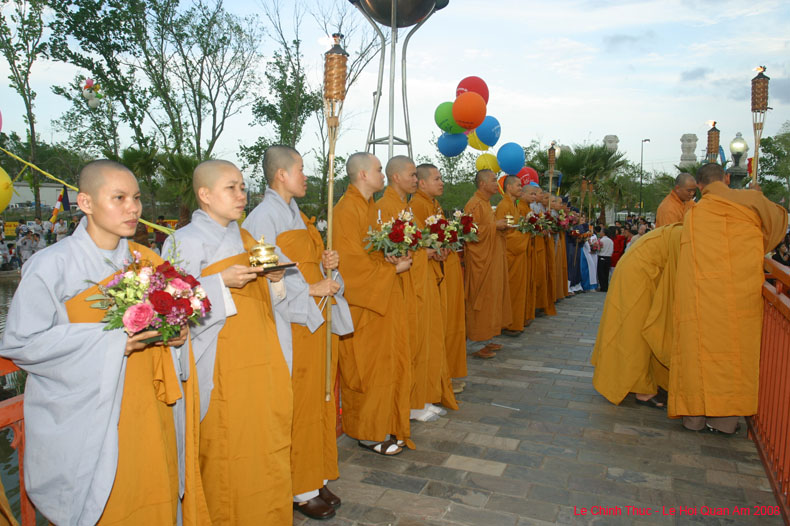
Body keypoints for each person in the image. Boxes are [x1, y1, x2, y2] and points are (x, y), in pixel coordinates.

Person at [0, 160, 208, 525]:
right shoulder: (52, 265)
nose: (133, 208)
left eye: (136, 198)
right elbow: (21, 343)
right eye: (119, 198)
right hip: (93, 413)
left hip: (150, 407)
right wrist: (110, 343)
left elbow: (172, 327)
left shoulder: (148, 261)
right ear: (86, 202)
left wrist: (178, 335)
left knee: (155, 497)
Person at [162, 159, 293, 524]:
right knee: (228, 449)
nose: (241, 195)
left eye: (243, 187)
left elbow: (271, 301)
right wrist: (219, 282)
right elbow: (172, 309)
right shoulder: (183, 242)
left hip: (263, 357)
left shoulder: (247, 239)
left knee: (265, 444)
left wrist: (276, 279)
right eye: (231, 188)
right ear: (205, 195)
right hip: (221, 363)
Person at [242, 146, 352, 521]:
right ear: (281, 175)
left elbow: (302, 263)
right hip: (293, 323)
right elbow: (267, 277)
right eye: (301, 169)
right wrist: (311, 289)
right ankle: (298, 488)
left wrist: (326, 263)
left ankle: (315, 475)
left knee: (320, 400)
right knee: (300, 404)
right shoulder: (262, 218)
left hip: (315, 319)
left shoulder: (296, 215)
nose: (306, 176)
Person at [669, 163, 788, 434]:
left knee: (697, 351)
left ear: (700, 186)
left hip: (700, 298)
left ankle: (694, 418)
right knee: (735, 356)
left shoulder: (694, 214)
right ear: (726, 178)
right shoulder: (752, 200)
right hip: (740, 296)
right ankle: (725, 423)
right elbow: (778, 226)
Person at [333, 152, 413, 455]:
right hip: (363, 305)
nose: (382, 175)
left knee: (387, 367)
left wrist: (390, 256)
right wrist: (392, 270)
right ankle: (368, 434)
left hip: (381, 298)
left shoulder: (370, 208)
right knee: (367, 370)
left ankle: (387, 424)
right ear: (363, 174)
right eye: (379, 170)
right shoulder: (346, 210)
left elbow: (372, 252)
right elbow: (351, 266)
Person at [377, 155, 456, 422]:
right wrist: (425, 253)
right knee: (411, 344)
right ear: (396, 177)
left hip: (420, 281)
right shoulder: (384, 207)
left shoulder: (406, 208)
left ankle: (421, 397)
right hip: (404, 285)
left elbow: (416, 244)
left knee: (425, 340)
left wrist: (431, 251)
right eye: (411, 175)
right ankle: (410, 404)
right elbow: (390, 252)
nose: (415, 180)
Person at [591, 224, 683, 407]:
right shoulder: (688, 233)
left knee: (637, 328)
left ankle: (649, 379)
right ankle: (642, 389)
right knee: (636, 330)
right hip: (639, 274)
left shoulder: (688, 230)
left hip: (642, 270)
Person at [411, 163, 468, 394]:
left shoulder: (433, 204)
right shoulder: (417, 205)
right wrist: (434, 250)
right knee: (438, 327)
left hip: (446, 267)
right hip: (433, 272)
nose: (441, 183)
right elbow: (416, 243)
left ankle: (446, 375)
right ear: (422, 183)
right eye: (437, 179)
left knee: (450, 324)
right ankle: (439, 379)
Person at [463, 169, 511, 358]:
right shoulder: (474, 204)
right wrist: (494, 226)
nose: (496, 184)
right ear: (482, 184)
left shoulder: (485, 203)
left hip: (491, 259)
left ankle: (486, 336)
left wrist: (499, 227)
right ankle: (475, 344)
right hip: (480, 263)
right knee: (480, 301)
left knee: (491, 299)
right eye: (493, 180)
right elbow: (469, 232)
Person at [495, 175, 529, 335]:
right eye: (518, 185)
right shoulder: (504, 205)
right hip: (509, 253)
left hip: (517, 253)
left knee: (516, 289)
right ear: (509, 187)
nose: (521, 188)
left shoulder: (513, 205)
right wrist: (525, 235)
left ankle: (515, 321)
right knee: (510, 289)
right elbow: (503, 235)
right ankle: (507, 323)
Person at [597, 226, 614, 292]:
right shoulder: (611, 241)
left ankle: (603, 287)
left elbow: (599, 249)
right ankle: (606, 286)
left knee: (601, 273)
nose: (600, 233)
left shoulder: (601, 240)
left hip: (602, 257)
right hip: (608, 258)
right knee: (606, 273)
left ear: (603, 233)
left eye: (601, 232)